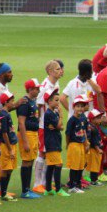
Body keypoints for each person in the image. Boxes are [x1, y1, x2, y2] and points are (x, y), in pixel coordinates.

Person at [34, 60, 62, 194]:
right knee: (42, 152)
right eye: (57, 69)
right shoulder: (44, 86)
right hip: (43, 126)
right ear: (50, 71)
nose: (60, 71)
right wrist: (42, 122)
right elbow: (39, 104)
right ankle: (37, 183)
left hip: (52, 122)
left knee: (49, 152)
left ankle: (46, 181)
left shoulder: (56, 83)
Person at [16, 78, 41, 199]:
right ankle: (25, 190)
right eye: (36, 88)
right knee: (26, 160)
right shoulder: (25, 103)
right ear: (30, 89)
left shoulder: (33, 101)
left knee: (31, 160)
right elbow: (21, 123)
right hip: (27, 134)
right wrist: (25, 142)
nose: (39, 90)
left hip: (33, 134)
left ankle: (27, 189)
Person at [43, 89, 69, 197]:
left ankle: (48, 189)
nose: (58, 102)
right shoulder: (49, 113)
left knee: (51, 166)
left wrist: (58, 126)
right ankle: (58, 189)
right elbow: (59, 126)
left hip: (53, 141)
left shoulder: (52, 113)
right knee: (58, 164)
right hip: (52, 142)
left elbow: (60, 127)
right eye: (56, 100)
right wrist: (61, 116)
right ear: (49, 101)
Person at [66, 96, 89, 193]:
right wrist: (68, 145)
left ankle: (78, 184)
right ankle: (72, 186)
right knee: (74, 166)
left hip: (81, 145)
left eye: (82, 106)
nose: (80, 108)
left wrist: (86, 143)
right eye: (78, 106)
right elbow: (67, 133)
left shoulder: (82, 119)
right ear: (73, 107)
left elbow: (84, 131)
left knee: (80, 165)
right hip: (74, 144)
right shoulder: (72, 120)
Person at [0, 91, 18, 201]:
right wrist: (10, 149)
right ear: (6, 102)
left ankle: (4, 192)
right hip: (6, 145)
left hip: (11, 143)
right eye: (11, 101)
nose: (13, 103)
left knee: (10, 168)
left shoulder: (6, 114)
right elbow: (4, 133)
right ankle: (3, 193)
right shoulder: (3, 115)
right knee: (5, 168)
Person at [86, 109, 104, 186]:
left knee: (96, 165)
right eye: (98, 118)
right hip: (94, 150)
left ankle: (94, 179)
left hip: (96, 149)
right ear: (92, 119)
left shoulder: (95, 127)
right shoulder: (92, 128)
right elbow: (93, 140)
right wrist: (98, 149)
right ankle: (94, 180)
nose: (100, 119)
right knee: (94, 165)